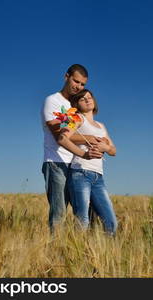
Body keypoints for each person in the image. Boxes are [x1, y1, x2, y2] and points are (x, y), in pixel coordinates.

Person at [41, 64, 104, 234]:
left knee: (86, 211)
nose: (79, 87)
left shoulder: (79, 104)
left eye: (83, 84)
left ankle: (83, 250)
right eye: (76, 81)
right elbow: (59, 135)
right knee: (59, 212)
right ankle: (55, 251)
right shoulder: (53, 101)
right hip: (56, 162)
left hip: (79, 165)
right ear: (66, 76)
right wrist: (89, 139)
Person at [57, 89, 118, 235]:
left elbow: (114, 151)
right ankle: (76, 254)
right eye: (82, 99)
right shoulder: (77, 118)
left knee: (111, 223)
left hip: (98, 177)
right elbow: (62, 138)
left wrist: (106, 147)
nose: (87, 100)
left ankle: (105, 256)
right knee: (82, 221)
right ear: (76, 104)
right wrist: (84, 154)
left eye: (89, 97)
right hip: (80, 173)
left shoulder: (101, 125)